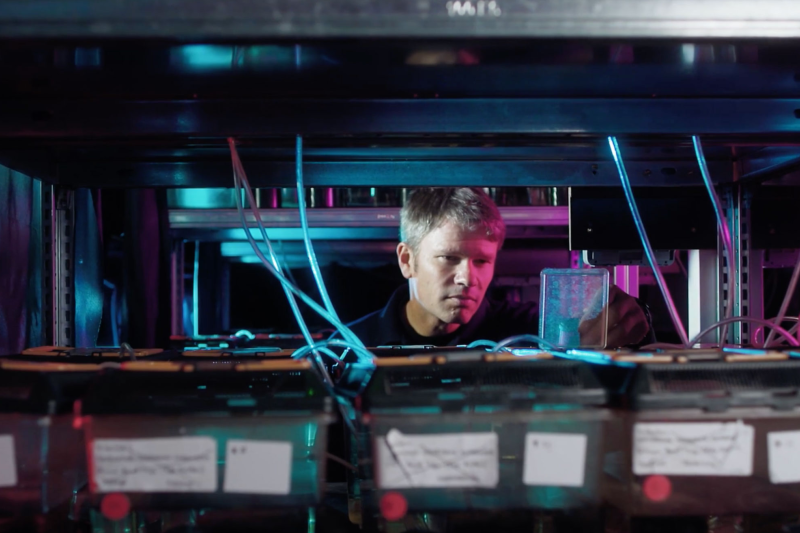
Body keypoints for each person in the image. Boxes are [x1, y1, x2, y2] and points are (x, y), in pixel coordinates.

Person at [345, 187, 652, 348]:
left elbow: (601, 332)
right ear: (407, 260)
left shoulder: (531, 334)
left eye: (482, 261)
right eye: (449, 258)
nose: (468, 277)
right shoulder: (352, 347)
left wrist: (627, 317)